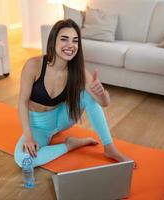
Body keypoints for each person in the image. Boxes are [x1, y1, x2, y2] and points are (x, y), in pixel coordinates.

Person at [14, 19, 135, 168]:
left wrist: (101, 92)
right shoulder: (34, 65)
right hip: (37, 127)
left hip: (60, 120)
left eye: (75, 41)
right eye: (64, 39)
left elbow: (105, 103)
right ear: (53, 41)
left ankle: (110, 149)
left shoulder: (77, 70)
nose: (70, 45)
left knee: (88, 94)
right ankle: (70, 145)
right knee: (23, 160)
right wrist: (28, 137)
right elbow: (22, 102)